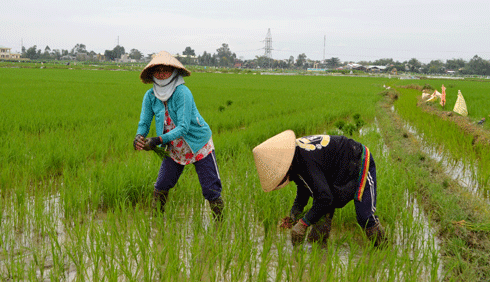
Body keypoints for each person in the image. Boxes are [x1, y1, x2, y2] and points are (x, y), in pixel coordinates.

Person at [252, 130, 386, 247]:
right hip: (336, 171)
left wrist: (303, 223)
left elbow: (325, 198)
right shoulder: (295, 157)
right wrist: (295, 214)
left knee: (364, 217)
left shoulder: (304, 161)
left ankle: (383, 250)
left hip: (357, 159)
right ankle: (320, 252)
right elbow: (304, 186)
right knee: (320, 215)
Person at [133, 51, 224, 222]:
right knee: (161, 186)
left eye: (165, 70)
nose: (161, 74)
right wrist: (139, 137)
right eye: (157, 71)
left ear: (173, 72)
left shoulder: (182, 92)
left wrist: (156, 140)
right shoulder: (150, 96)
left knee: (210, 189)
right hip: (174, 148)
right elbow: (144, 122)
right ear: (152, 74)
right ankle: (157, 223)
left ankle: (220, 227)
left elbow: (183, 127)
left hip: (198, 145)